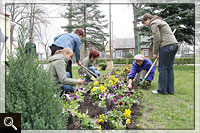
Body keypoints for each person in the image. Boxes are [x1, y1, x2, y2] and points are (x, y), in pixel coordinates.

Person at [142, 13, 178, 94]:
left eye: (145, 24)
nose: (146, 26)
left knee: (162, 68)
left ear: (147, 19)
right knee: (169, 68)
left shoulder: (153, 23)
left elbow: (157, 38)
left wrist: (155, 52)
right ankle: (170, 90)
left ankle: (162, 90)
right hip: (174, 45)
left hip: (166, 46)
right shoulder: (160, 21)